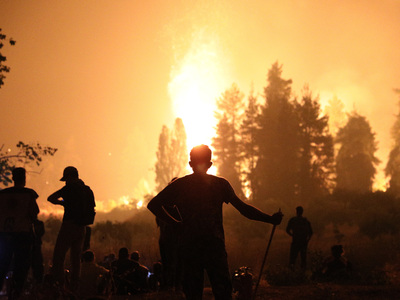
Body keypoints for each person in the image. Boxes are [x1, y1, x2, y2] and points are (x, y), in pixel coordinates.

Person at [147, 144, 283, 300]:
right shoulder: (220, 185)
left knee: (194, 294)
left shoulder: (181, 186)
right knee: (223, 293)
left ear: (190, 163)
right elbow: (243, 209)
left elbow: (153, 205)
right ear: (210, 164)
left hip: (191, 248)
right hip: (213, 247)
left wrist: (176, 224)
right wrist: (270, 219)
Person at [47, 166, 95, 290]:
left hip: (69, 225)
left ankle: (59, 285)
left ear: (69, 176)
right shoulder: (87, 189)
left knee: (59, 256)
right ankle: (75, 287)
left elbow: (50, 198)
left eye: (66, 179)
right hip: (82, 228)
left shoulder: (68, 188)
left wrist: (62, 203)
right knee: (76, 259)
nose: (65, 181)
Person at [0, 167, 40, 298]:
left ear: (12, 178)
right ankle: (16, 293)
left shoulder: (3, 194)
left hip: (4, 234)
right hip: (22, 234)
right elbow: (34, 212)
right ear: (24, 178)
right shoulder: (29, 194)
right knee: (21, 266)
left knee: (3, 264)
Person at [286, 206, 313, 270]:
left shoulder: (293, 220)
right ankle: (301, 273)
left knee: (293, 259)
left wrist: (293, 235)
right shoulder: (305, 221)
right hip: (303, 242)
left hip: (296, 242)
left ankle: (291, 273)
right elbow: (311, 233)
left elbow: (287, 230)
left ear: (296, 211)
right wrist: (307, 240)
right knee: (303, 259)